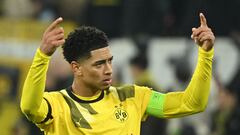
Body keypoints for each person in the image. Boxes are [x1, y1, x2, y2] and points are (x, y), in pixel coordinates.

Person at [20, 13, 215, 135]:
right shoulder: (57, 105)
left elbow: (192, 103)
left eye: (109, 61)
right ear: (76, 68)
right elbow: (29, 107)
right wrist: (42, 56)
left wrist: (205, 54)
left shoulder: (133, 97)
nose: (108, 70)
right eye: (99, 64)